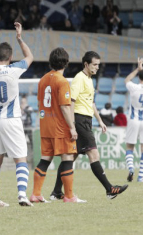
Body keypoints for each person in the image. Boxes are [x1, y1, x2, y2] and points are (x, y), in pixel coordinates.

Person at [49, 51, 128, 201]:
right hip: (79, 121)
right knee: (94, 155)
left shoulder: (89, 80)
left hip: (85, 120)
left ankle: (56, 192)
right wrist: (72, 124)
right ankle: (110, 189)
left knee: (70, 158)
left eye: (98, 65)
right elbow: (71, 101)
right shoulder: (79, 78)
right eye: (94, 65)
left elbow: (90, 103)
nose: (97, 67)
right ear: (86, 64)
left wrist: (100, 121)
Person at [0, 23, 33, 207]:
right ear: (10, 57)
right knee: (20, 158)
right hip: (11, 119)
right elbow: (29, 57)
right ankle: (21, 195)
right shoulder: (13, 70)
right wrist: (19, 39)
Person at [31, 47, 83, 204]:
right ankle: (69, 196)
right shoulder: (62, 82)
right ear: (66, 63)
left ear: (50, 62)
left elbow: (40, 103)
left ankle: (36, 194)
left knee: (45, 158)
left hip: (45, 125)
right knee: (67, 158)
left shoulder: (42, 80)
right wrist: (72, 127)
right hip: (59, 127)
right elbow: (65, 107)